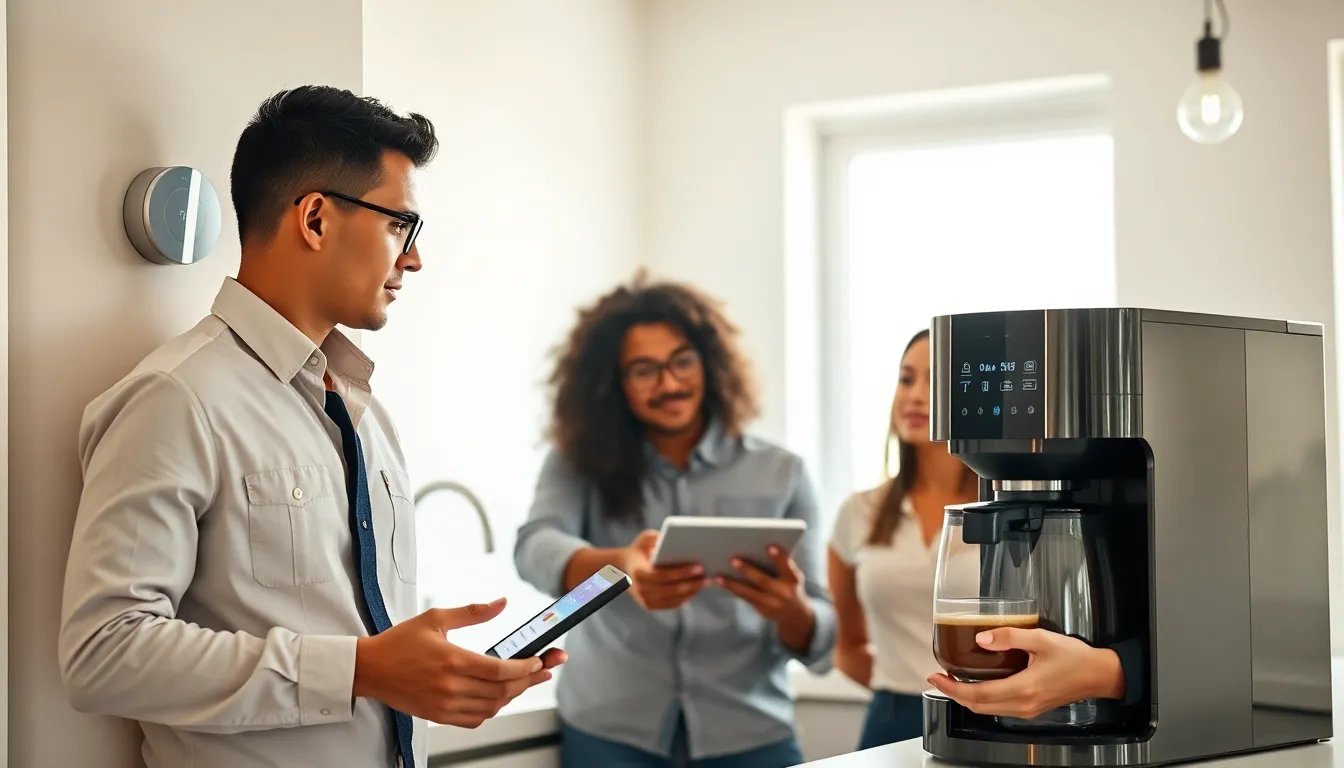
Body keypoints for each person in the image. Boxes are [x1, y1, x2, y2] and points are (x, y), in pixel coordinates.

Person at [57, 86, 562, 768]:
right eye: (400, 226)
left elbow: (355, 640)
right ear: (317, 219)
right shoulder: (175, 398)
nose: (413, 259)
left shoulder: (364, 411)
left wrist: (433, 678)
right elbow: (103, 651)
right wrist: (359, 670)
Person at [514, 274, 836, 768]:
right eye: (643, 370)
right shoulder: (577, 462)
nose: (669, 383)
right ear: (611, 385)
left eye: (682, 361)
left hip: (750, 734)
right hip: (609, 733)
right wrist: (618, 566)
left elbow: (823, 630)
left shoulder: (782, 472)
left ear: (710, 361)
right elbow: (535, 547)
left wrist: (789, 608)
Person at [827, 329, 981, 749]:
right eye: (906, 378)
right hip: (890, 719)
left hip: (991, 719)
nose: (914, 395)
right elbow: (848, 647)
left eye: (935, 382)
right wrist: (898, 690)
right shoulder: (859, 513)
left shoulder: (1009, 511)